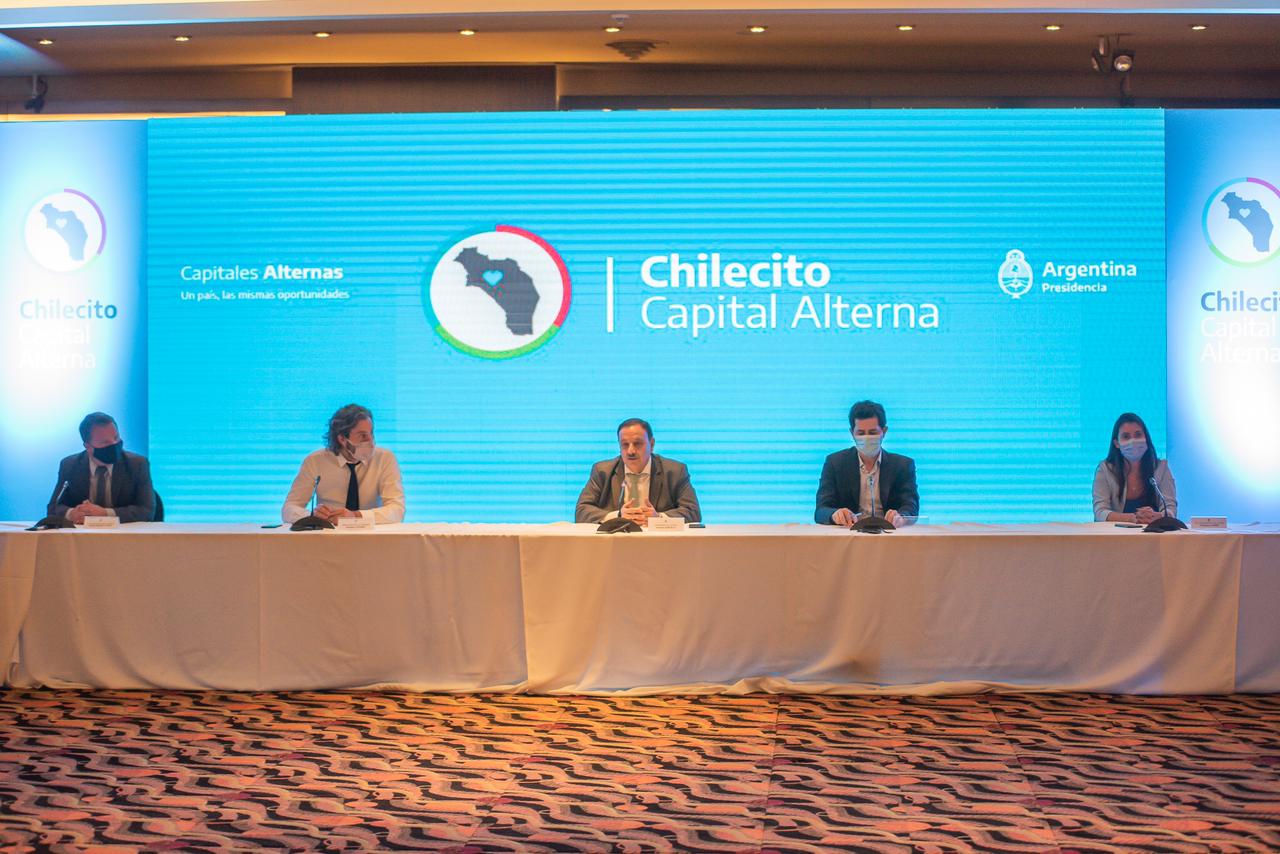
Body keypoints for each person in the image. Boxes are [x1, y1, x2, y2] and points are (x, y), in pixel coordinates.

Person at [282, 404, 405, 525]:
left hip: (372, 534)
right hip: (329, 534)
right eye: (363, 435)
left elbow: (397, 510)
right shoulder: (315, 461)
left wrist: (356, 516)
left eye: (371, 433)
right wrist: (312, 516)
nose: (370, 441)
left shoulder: (385, 458)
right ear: (342, 439)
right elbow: (289, 509)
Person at [576, 418, 701, 525]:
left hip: (659, 542)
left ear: (652, 444)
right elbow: (582, 511)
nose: (630, 451)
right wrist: (617, 516)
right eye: (625, 444)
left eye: (637, 444)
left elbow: (693, 512)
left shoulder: (675, 471)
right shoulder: (603, 471)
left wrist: (659, 518)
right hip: (617, 541)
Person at [815, 400, 919, 528]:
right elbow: (821, 510)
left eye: (872, 433)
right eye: (861, 433)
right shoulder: (835, 463)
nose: (866, 438)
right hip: (850, 534)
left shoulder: (902, 465)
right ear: (852, 433)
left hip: (889, 534)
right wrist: (834, 514)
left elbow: (911, 506)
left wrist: (901, 517)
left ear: (884, 431)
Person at [48, 411, 156, 524]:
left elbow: (147, 511)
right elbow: (53, 507)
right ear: (88, 447)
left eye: (116, 437)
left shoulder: (137, 464)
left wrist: (105, 513)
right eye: (105, 442)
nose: (114, 444)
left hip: (123, 533)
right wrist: (71, 514)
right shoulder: (70, 465)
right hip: (83, 532)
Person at [1093, 412, 1177, 524]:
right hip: (1116, 533)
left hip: (1155, 532)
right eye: (1126, 436)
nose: (1133, 441)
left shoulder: (1161, 468)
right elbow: (1100, 513)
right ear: (1116, 443)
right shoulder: (1105, 470)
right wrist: (1134, 518)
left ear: (1146, 438)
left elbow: (1170, 508)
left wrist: (1159, 516)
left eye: (1138, 435)